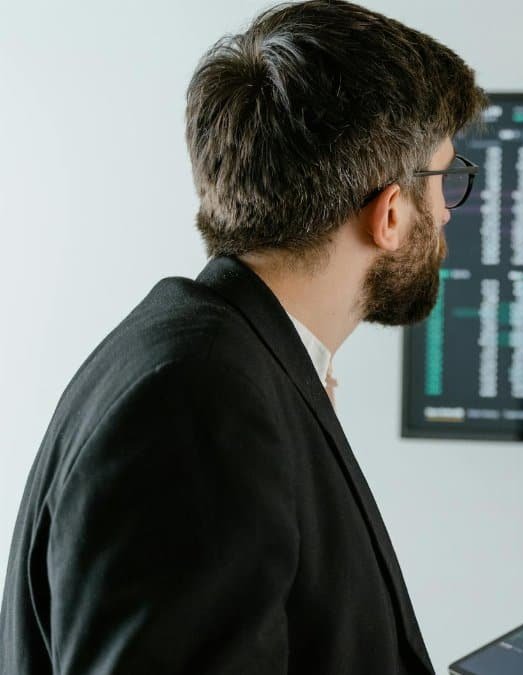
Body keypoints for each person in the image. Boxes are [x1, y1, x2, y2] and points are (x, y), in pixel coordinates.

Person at [0, 1, 487, 672]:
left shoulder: (224, 361)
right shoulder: (199, 403)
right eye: (444, 179)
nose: (445, 210)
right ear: (392, 213)